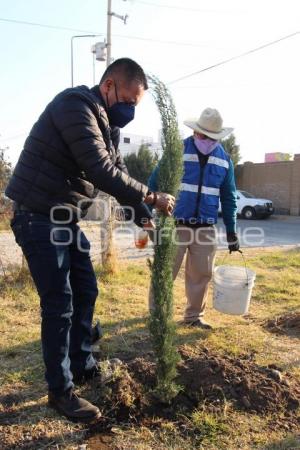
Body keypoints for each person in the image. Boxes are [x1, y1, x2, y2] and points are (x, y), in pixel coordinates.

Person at [5, 58, 175, 423]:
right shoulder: (74, 106)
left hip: (64, 216)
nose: (130, 109)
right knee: (59, 302)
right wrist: (150, 195)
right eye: (129, 99)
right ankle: (61, 391)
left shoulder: (107, 125)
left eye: (136, 104)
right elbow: (100, 168)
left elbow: (119, 172)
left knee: (86, 289)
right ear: (109, 85)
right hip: (36, 214)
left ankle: (82, 363)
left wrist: (140, 215)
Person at [148, 107, 239, 329]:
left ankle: (193, 317)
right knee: (165, 271)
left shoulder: (224, 160)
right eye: (202, 134)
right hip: (174, 223)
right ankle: (157, 314)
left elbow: (229, 198)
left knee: (201, 274)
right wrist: (148, 213)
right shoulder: (177, 151)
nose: (205, 139)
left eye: (211, 137)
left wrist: (231, 231)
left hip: (206, 228)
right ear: (196, 131)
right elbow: (153, 182)